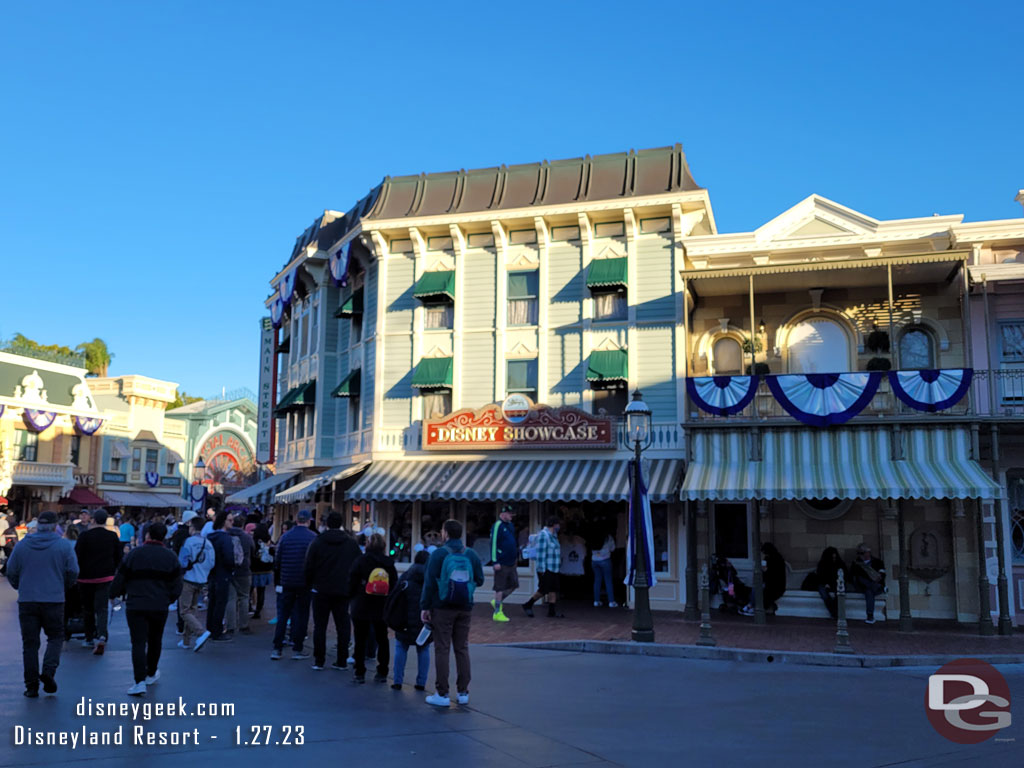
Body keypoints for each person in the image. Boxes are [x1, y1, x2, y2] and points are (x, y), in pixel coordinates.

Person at [6, 510, 79, 697]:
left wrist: (20, 587)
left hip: (28, 600)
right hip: (54, 599)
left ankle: (31, 686)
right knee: (55, 637)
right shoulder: (63, 546)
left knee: (30, 644)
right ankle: (48, 671)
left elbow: (11, 571)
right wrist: (63, 587)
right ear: (55, 526)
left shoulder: (22, 546)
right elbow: (73, 571)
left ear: (37, 525)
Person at [110, 522, 183, 696]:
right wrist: (168, 599)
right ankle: (151, 672)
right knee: (156, 639)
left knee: (138, 642)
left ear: (148, 535)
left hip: (136, 604)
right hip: (159, 605)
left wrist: (114, 594)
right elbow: (177, 585)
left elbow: (120, 577)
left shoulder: (135, 554)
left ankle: (139, 680)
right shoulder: (170, 557)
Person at [421, 519, 484, 707]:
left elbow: (430, 583)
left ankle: (442, 693)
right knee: (462, 648)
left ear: (446, 533)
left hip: (442, 607)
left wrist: (425, 607)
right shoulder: (470, 554)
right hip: (465, 606)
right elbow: (479, 579)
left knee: (442, 648)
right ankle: (463, 692)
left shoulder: (438, 554)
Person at [305, 511, 360, 671]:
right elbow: (357, 566)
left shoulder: (318, 542)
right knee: (342, 625)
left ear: (327, 524)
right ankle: (342, 659)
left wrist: (310, 584)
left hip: (321, 589)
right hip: (343, 590)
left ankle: (319, 659)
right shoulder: (350, 543)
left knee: (320, 625)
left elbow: (309, 565)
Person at [348, 532, 397, 683]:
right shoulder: (389, 563)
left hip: (362, 604)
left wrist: (351, 597)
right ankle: (382, 670)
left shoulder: (361, 561)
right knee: (382, 638)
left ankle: (359, 671)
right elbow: (394, 584)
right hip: (381, 605)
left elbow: (352, 581)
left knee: (360, 638)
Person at [73, 510, 123, 655]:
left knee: (87, 609)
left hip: (85, 577)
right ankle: (102, 635)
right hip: (105, 576)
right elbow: (118, 556)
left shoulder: (84, 536)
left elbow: (77, 555)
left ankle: (88, 637)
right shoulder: (112, 536)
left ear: (93, 520)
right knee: (102, 608)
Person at [271, 509, 316, 660]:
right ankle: (297, 647)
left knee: (283, 614)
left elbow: (277, 560)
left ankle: (277, 648)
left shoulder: (285, 537)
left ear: (296, 520)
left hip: (287, 580)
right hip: (304, 582)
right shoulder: (313, 537)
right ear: (309, 521)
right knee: (302, 614)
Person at [391, 550, 431, 690]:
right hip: (423, 621)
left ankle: (397, 680)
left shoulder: (406, 577)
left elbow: (394, 597)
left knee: (401, 648)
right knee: (424, 649)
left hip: (404, 620)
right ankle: (421, 682)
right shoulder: (430, 578)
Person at [178, 516, 215, 651]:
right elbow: (212, 563)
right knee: (192, 610)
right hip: (202, 579)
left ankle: (201, 632)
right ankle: (186, 641)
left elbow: (182, 561)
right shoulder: (208, 543)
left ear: (192, 527)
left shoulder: (188, 542)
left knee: (184, 611)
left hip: (188, 579)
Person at [522, 517, 563, 618]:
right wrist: (542, 570)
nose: (560, 526)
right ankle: (528, 604)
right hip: (546, 568)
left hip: (554, 567)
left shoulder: (554, 535)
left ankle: (552, 611)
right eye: (558, 524)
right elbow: (541, 554)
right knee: (543, 590)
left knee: (553, 589)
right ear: (554, 524)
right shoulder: (543, 535)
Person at [205, 511, 236, 643]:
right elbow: (229, 557)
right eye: (230, 520)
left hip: (212, 573)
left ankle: (210, 628)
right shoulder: (225, 538)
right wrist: (232, 568)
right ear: (224, 521)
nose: (232, 522)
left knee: (212, 601)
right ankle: (217, 630)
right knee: (220, 602)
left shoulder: (210, 536)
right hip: (223, 573)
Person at [225, 514, 256, 636]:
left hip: (229, 570)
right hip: (244, 570)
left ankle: (230, 626)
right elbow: (253, 551)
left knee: (231, 599)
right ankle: (244, 625)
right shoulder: (247, 537)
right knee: (244, 597)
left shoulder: (226, 535)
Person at [489, 504, 518, 622]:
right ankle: (497, 612)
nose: (511, 516)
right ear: (503, 514)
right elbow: (493, 543)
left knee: (513, 584)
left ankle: (497, 601)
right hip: (501, 562)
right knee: (500, 587)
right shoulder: (497, 526)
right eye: (510, 514)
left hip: (511, 561)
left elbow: (511, 541)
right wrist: (495, 561)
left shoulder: (510, 525)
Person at [741, 542, 786, 616]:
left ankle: (751, 606)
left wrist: (766, 571)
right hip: (769, 582)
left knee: (759, 590)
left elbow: (775, 575)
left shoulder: (777, 560)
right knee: (756, 588)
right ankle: (751, 605)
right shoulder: (768, 558)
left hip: (776, 585)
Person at [850, 543, 886, 624]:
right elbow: (852, 576)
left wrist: (878, 577)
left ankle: (870, 616)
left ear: (868, 553)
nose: (860, 555)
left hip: (875, 585)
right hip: (862, 586)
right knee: (863, 581)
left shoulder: (878, 562)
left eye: (862, 553)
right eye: (859, 553)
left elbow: (882, 574)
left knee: (869, 592)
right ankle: (876, 587)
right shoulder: (856, 563)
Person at [814, 546, 847, 619]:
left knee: (839, 594)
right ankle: (834, 612)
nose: (834, 559)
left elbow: (844, 575)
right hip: (825, 584)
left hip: (836, 583)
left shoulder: (840, 563)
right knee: (824, 594)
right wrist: (826, 583)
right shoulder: (822, 564)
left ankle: (836, 612)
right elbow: (820, 576)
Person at [250, 522, 274, 620]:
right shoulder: (268, 541)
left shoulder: (254, 541)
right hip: (266, 569)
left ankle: (249, 606)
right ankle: (258, 610)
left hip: (254, 569)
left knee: (250, 589)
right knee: (261, 590)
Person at [590, 528, 618, 608]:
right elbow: (613, 548)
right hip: (605, 560)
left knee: (597, 580)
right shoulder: (608, 537)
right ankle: (611, 601)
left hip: (594, 560)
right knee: (608, 580)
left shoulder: (594, 536)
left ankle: (596, 600)